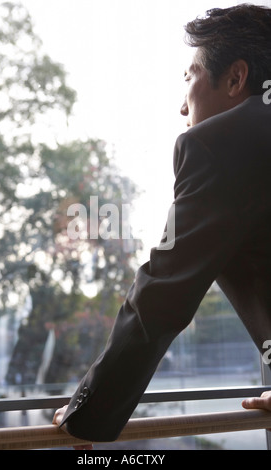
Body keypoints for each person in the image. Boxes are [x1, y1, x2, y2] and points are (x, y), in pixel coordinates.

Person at [52, 4, 271, 445]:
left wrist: (87, 414)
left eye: (189, 77)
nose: (181, 106)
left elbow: (163, 290)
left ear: (235, 78)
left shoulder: (219, 145)